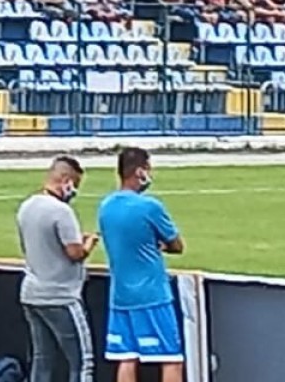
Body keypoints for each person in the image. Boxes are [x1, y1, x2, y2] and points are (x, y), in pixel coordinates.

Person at [96, 147, 185, 382]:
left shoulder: (105, 207)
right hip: (152, 294)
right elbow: (177, 245)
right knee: (171, 357)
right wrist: (160, 245)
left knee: (126, 356)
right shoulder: (149, 207)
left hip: (120, 296)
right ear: (139, 172)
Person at [18, 156, 98, 382]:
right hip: (60, 295)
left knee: (42, 359)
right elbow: (74, 253)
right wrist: (89, 243)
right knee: (82, 363)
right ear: (65, 180)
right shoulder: (61, 212)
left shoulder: (27, 206)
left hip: (31, 292)